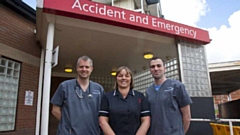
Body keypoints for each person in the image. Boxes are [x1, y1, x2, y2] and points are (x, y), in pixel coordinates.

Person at [51, 55, 104, 135]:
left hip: (92, 132)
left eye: (87, 67)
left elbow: (103, 113)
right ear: (77, 68)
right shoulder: (65, 86)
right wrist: (67, 124)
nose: (84, 69)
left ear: (91, 69)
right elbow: (55, 110)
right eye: (81, 67)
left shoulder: (98, 89)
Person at [146, 57, 192, 135]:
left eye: (159, 66)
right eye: (153, 67)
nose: (156, 69)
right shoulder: (148, 91)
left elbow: (187, 115)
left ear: (164, 68)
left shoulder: (177, 86)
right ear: (150, 70)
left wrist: (181, 133)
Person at [99, 66, 150, 135]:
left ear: (131, 79)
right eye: (120, 76)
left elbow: (146, 121)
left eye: (127, 76)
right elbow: (103, 121)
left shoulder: (140, 97)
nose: (123, 78)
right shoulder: (107, 97)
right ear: (116, 79)